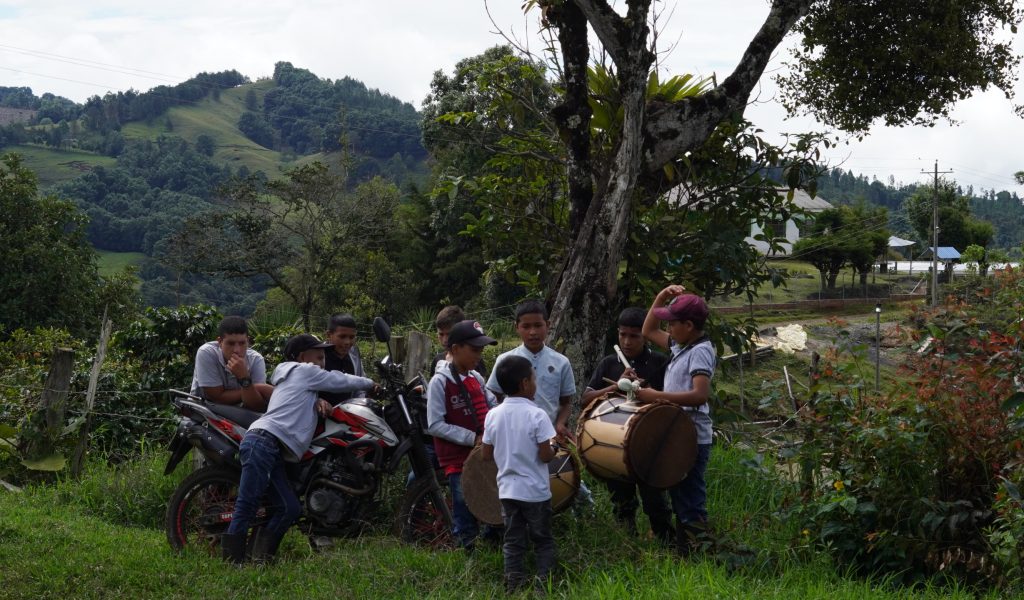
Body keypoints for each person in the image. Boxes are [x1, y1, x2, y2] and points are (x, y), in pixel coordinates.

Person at [221, 333, 377, 564]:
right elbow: (339, 380)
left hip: (271, 447)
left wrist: (317, 402)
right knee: (248, 503)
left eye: (324, 358)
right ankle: (232, 563)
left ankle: (260, 559)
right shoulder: (304, 371)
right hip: (263, 441)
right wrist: (371, 383)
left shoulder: (295, 380)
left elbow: (300, 399)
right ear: (303, 358)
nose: (322, 363)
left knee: (290, 508)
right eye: (319, 357)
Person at [581, 307, 673, 542]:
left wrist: (647, 391)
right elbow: (586, 399)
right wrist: (615, 387)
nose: (627, 341)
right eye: (623, 335)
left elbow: (673, 404)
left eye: (634, 336)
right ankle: (627, 543)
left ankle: (666, 541)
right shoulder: (610, 363)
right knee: (622, 501)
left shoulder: (659, 362)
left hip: (650, 444)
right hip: (615, 444)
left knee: (655, 500)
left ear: (645, 336)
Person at [639, 285, 715, 555]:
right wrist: (661, 297)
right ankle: (687, 552)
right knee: (680, 493)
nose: (668, 329)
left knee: (690, 496)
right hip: (678, 434)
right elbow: (648, 330)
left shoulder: (700, 351)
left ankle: (700, 553)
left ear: (689, 325)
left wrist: (656, 396)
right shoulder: (681, 345)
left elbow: (700, 395)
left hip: (692, 436)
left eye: (672, 323)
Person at [481, 356, 557, 593]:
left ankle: (513, 586)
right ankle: (543, 588)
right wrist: (553, 447)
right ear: (525, 383)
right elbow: (545, 456)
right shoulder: (538, 415)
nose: (535, 384)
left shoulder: (493, 415)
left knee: (513, 542)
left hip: (508, 492)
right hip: (535, 493)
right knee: (543, 541)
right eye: (534, 379)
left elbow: (485, 454)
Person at [426, 319, 498, 550]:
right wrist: (472, 438)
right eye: (474, 350)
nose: (479, 355)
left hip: (483, 455)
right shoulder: (440, 382)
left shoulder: (476, 378)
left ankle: (491, 547)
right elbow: (435, 424)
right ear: (455, 349)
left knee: (491, 502)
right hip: (458, 461)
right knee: (464, 506)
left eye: (481, 350)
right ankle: (467, 551)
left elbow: (492, 406)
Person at [486, 300, 574, 441]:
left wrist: (560, 424)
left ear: (548, 325)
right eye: (526, 326)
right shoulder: (505, 360)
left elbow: (566, 403)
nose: (532, 332)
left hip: (549, 437)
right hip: (513, 437)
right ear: (517, 327)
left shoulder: (561, 362)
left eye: (538, 325)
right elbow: (492, 398)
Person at [190, 315, 273, 411]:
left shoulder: (256, 360)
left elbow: (256, 406)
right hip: (203, 413)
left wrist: (244, 378)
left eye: (242, 343)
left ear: (248, 341)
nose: (237, 350)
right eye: (230, 343)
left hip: (240, 416)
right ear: (220, 342)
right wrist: (253, 388)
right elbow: (216, 398)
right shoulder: (207, 352)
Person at [428, 305, 488, 377]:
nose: (445, 340)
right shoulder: (437, 360)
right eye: (441, 334)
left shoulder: (473, 360)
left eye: (449, 334)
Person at [321, 313, 367, 404]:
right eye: (342, 337)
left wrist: (361, 401)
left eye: (352, 337)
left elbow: (360, 385)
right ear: (329, 335)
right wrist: (317, 401)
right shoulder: (317, 356)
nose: (347, 342)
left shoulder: (354, 353)